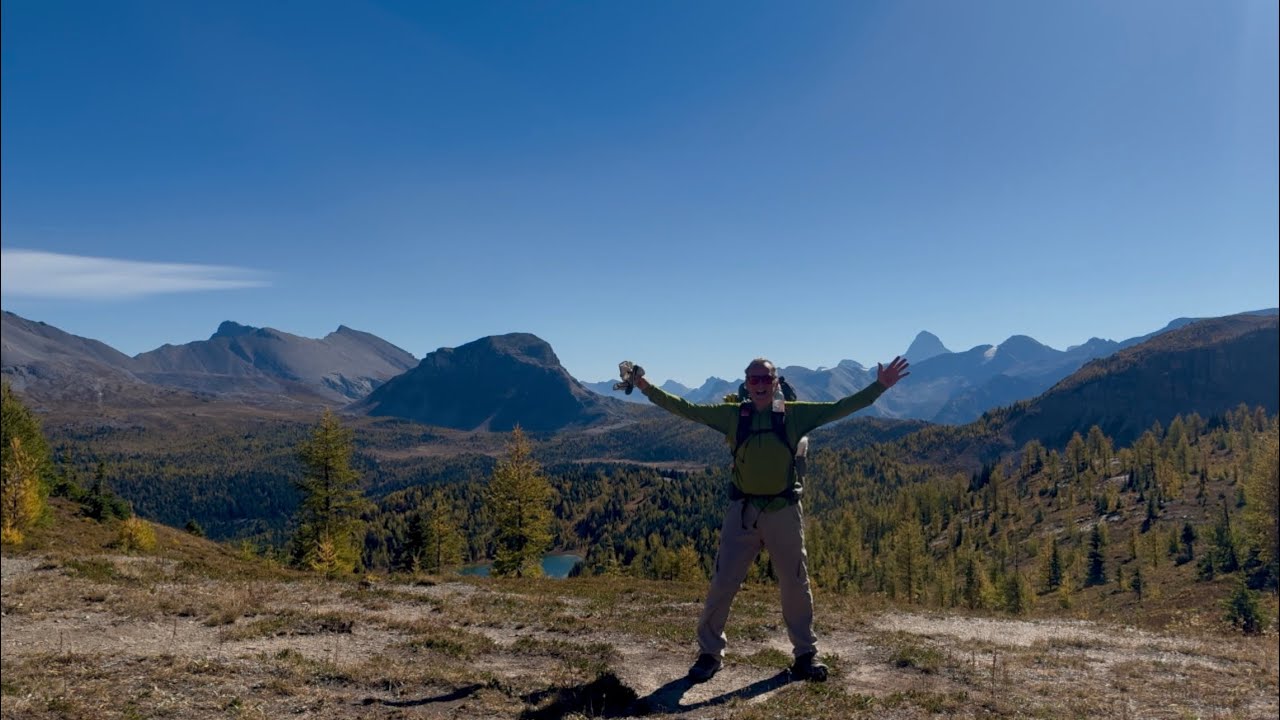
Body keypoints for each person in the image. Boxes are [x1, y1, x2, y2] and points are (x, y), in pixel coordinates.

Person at [631, 355, 910, 682]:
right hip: (743, 512)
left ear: (776, 384)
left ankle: (805, 655)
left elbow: (840, 407)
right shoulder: (733, 415)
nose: (760, 384)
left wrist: (880, 387)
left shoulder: (794, 415)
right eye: (755, 379)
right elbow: (685, 408)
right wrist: (644, 386)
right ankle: (709, 654)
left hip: (783, 511)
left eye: (766, 379)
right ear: (746, 384)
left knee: (794, 584)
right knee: (723, 582)